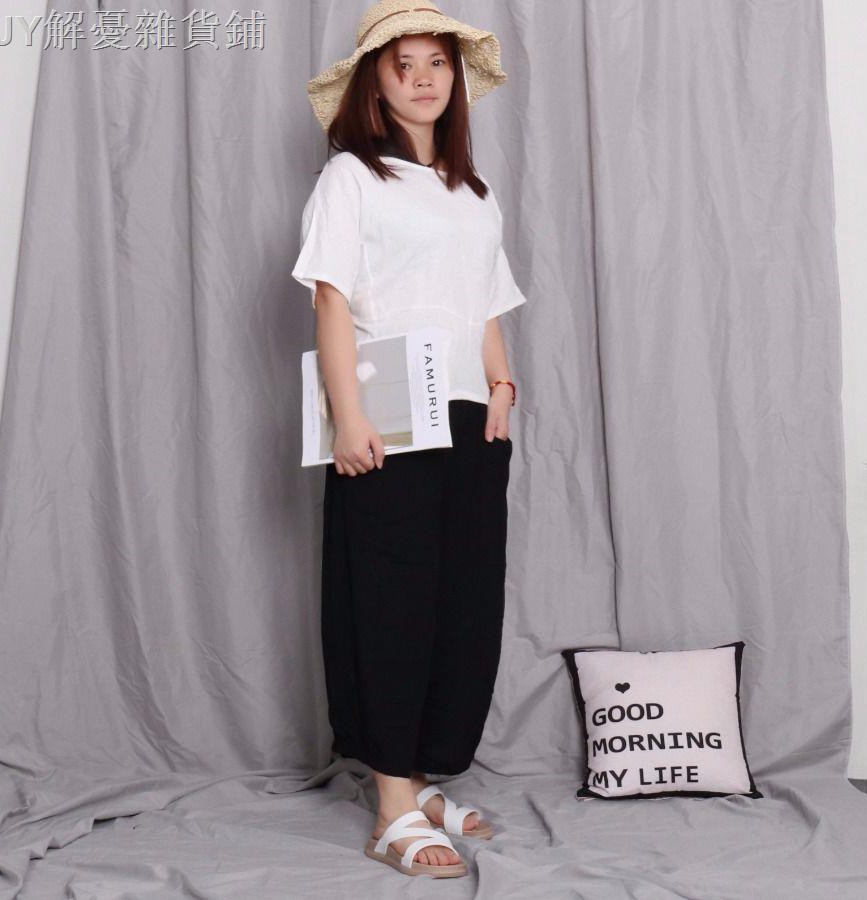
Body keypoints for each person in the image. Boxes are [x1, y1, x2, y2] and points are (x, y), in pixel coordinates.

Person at [291, 0, 527, 879]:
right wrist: (348, 414)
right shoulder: (351, 178)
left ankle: (420, 780)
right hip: (389, 420)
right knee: (389, 603)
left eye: (437, 63)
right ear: (376, 85)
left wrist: (503, 386)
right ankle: (392, 806)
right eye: (405, 65)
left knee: (461, 604)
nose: (424, 78)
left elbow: (486, 302)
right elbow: (331, 296)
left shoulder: (473, 191)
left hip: (469, 418)